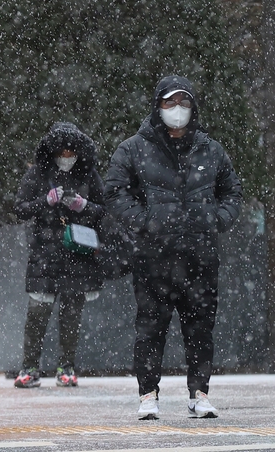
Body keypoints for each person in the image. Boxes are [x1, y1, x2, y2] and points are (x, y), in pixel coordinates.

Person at [104, 75, 242, 420]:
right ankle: (148, 395)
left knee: (200, 329)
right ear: (157, 106)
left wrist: (216, 219)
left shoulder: (211, 150)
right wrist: (145, 221)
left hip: (200, 256)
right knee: (150, 329)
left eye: (184, 103)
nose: (177, 110)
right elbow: (114, 191)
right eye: (170, 103)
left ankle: (200, 393)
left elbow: (233, 192)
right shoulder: (134, 147)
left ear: (193, 108)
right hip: (154, 259)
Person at [13, 122, 105, 389]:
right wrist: (47, 201)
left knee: (72, 313)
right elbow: (20, 208)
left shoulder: (88, 174)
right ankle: (29, 367)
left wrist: (83, 206)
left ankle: (67, 366)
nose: (67, 157)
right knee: (38, 311)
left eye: (71, 151)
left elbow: (105, 209)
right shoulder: (38, 174)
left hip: (77, 253)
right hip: (45, 251)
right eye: (62, 152)